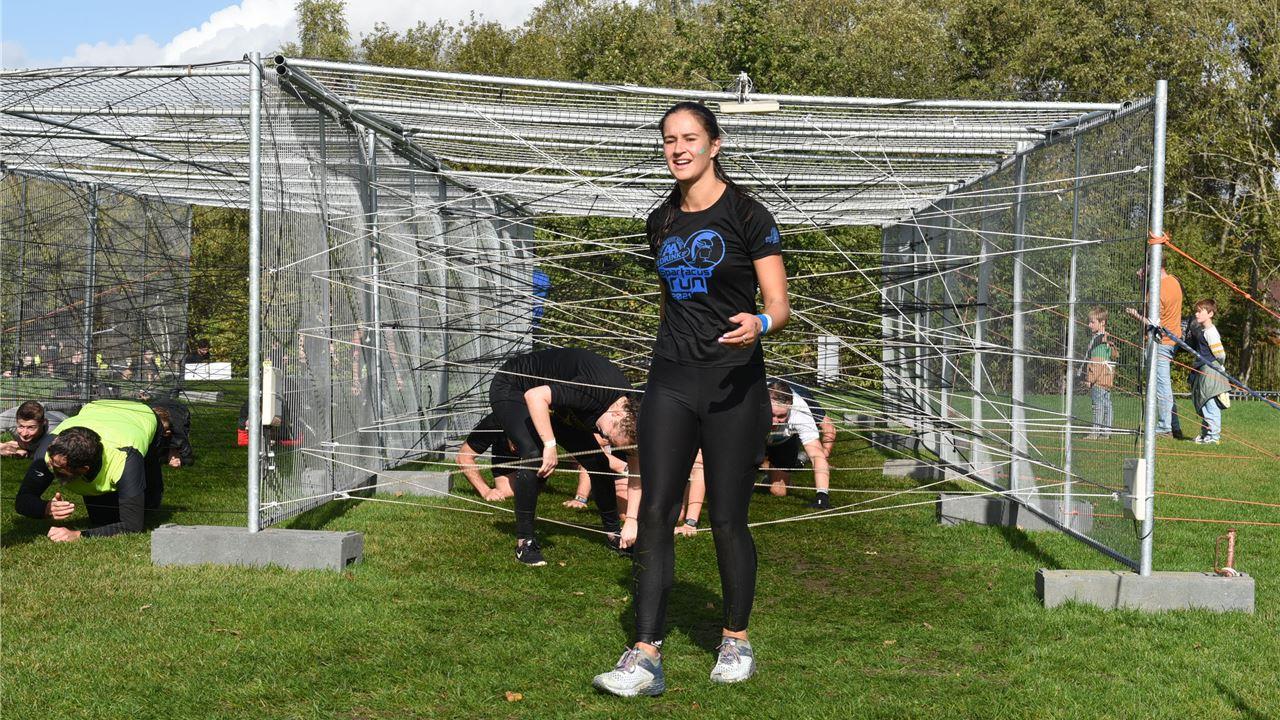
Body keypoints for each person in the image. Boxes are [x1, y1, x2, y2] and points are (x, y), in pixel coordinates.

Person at [593, 101, 789, 696]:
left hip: (734, 385)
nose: (678, 149)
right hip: (671, 381)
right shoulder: (660, 221)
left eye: (689, 138)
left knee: (727, 517)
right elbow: (670, 303)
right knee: (654, 510)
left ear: (714, 144)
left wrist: (760, 323)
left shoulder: (748, 214)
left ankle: (735, 640)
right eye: (669, 140)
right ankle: (645, 654)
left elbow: (779, 305)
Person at [487, 347, 639, 566]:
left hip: (556, 405)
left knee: (598, 462)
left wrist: (631, 520)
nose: (604, 438)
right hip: (514, 387)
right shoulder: (590, 391)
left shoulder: (632, 412)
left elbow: (636, 472)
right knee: (534, 454)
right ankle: (524, 543)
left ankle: (614, 534)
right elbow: (534, 396)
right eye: (608, 435)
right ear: (616, 414)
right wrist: (550, 445)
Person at [14, 399, 164, 541]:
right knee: (101, 519)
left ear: (83, 469)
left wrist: (78, 535)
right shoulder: (47, 453)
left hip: (141, 415)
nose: (50, 466)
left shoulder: (125, 460)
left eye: (59, 467)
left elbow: (132, 526)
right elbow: (22, 500)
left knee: (148, 508)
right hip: (96, 408)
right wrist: (45, 508)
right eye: (52, 461)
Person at [1126, 250, 1183, 438]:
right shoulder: (1173, 281)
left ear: (1153, 265)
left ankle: (1165, 427)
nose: (1143, 268)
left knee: (1161, 386)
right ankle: (1173, 426)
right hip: (1172, 340)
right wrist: (1144, 282)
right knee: (1164, 385)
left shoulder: (1158, 291)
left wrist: (1135, 315)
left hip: (1160, 342)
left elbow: (1153, 323)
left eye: (1147, 264)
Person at [762, 379, 833, 508]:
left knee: (778, 492)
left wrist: (822, 495)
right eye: (772, 414)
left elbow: (816, 454)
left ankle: (773, 474)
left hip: (783, 440)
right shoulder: (752, 403)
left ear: (790, 406)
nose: (775, 421)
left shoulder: (800, 411)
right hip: (755, 437)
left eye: (781, 416)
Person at [1187, 299, 1230, 444]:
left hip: (1211, 371)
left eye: (1200, 311)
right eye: (1196, 311)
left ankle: (1214, 437)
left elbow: (1220, 354)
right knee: (1204, 404)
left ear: (1210, 314)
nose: (1196, 314)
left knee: (1210, 403)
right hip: (1203, 370)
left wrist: (1218, 367)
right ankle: (1206, 434)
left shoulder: (1211, 332)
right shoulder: (1203, 331)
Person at [456, 413, 519, 501]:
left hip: (537, 452)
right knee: (506, 492)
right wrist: (485, 491)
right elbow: (463, 457)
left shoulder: (537, 419)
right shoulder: (493, 423)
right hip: (507, 454)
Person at [1079, 307, 1117, 439]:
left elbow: (1097, 363)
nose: (1089, 325)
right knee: (1106, 405)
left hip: (1099, 379)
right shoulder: (1106, 338)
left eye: (1092, 322)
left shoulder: (1099, 340)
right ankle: (1106, 432)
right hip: (1106, 378)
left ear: (1102, 322)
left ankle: (1095, 432)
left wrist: (1089, 379)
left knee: (1098, 406)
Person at [0, 401, 67, 458]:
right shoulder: (8, 417)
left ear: (44, 423)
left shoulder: (55, 431)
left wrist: (29, 454)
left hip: (60, 417)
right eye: (21, 426)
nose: (24, 434)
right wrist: (2, 447)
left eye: (31, 427)